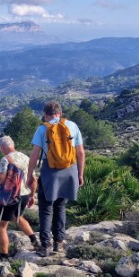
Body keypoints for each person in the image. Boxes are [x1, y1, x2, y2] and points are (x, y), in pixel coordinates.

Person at [27, 101, 85, 257]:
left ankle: (45, 246)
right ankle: (59, 243)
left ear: (45, 114)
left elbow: (35, 155)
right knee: (60, 207)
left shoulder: (42, 128)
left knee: (46, 209)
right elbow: (80, 153)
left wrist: (29, 175)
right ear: (60, 113)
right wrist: (80, 174)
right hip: (69, 170)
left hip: (50, 171)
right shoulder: (72, 126)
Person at [0, 136, 38, 260]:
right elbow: (33, 180)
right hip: (24, 194)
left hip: (10, 196)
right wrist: (32, 195)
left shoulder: (5, 159)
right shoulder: (26, 157)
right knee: (17, 217)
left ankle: (4, 256)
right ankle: (34, 240)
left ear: (2, 147)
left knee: (1, 225)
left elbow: (2, 178)